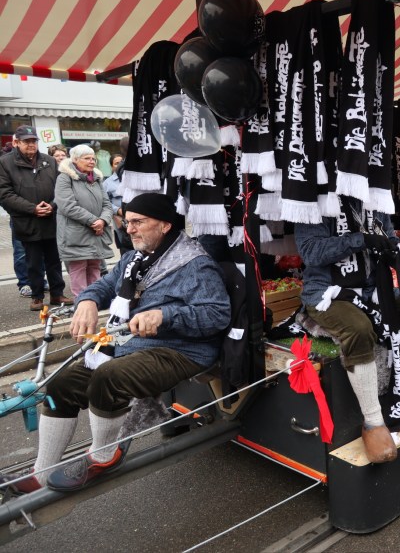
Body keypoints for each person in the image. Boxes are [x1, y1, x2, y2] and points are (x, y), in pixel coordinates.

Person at [0, 193, 231, 494]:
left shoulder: (195, 264)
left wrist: (165, 315)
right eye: (127, 221)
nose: (129, 229)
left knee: (110, 377)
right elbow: (104, 286)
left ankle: (104, 456)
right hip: (132, 341)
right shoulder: (134, 258)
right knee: (62, 384)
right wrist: (87, 301)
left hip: (181, 348)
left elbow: (217, 314)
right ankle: (41, 471)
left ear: (164, 225)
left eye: (138, 222)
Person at [297, 190, 400, 465]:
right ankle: (373, 423)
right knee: (358, 328)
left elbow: (388, 235)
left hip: (373, 288)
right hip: (327, 293)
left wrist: (393, 248)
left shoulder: (375, 195)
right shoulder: (314, 196)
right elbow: (309, 252)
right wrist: (359, 240)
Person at [0, 125, 72, 310]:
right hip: (27, 221)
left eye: (34, 141)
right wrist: (33, 209)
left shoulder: (49, 161)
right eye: (27, 141)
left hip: (51, 218)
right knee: (32, 262)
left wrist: (53, 205)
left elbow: (61, 188)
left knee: (54, 260)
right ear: (17, 142)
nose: (31, 144)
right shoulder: (5, 163)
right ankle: (37, 296)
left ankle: (57, 294)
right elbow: (5, 194)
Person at [55, 144, 114, 297]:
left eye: (93, 159)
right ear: (75, 160)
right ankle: (82, 302)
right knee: (78, 268)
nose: (92, 161)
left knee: (95, 266)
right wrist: (94, 221)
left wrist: (103, 220)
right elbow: (67, 206)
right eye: (87, 158)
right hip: (75, 233)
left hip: (96, 231)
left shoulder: (96, 178)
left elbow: (107, 204)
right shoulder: (64, 178)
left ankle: (96, 300)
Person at [103, 136, 133, 255]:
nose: (119, 164)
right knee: (126, 252)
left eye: (121, 162)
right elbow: (105, 202)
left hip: (135, 217)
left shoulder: (133, 177)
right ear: (112, 166)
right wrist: (117, 210)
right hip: (121, 221)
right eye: (116, 163)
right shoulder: (107, 183)